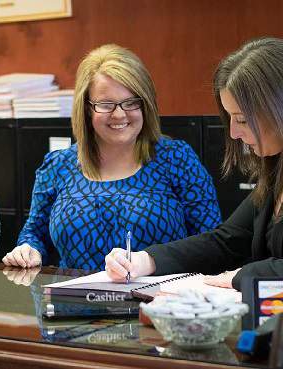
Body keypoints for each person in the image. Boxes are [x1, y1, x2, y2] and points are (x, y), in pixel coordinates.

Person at [3, 44, 221, 270]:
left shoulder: (176, 158)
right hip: (72, 301)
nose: (119, 114)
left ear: (145, 104)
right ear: (86, 109)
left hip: (155, 301)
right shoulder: (57, 166)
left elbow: (210, 244)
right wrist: (28, 249)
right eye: (105, 104)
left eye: (131, 102)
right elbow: (34, 233)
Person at [105, 37, 283, 291]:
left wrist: (243, 274)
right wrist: (145, 260)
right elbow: (225, 241)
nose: (233, 133)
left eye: (242, 119)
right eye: (230, 118)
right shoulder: (275, 174)